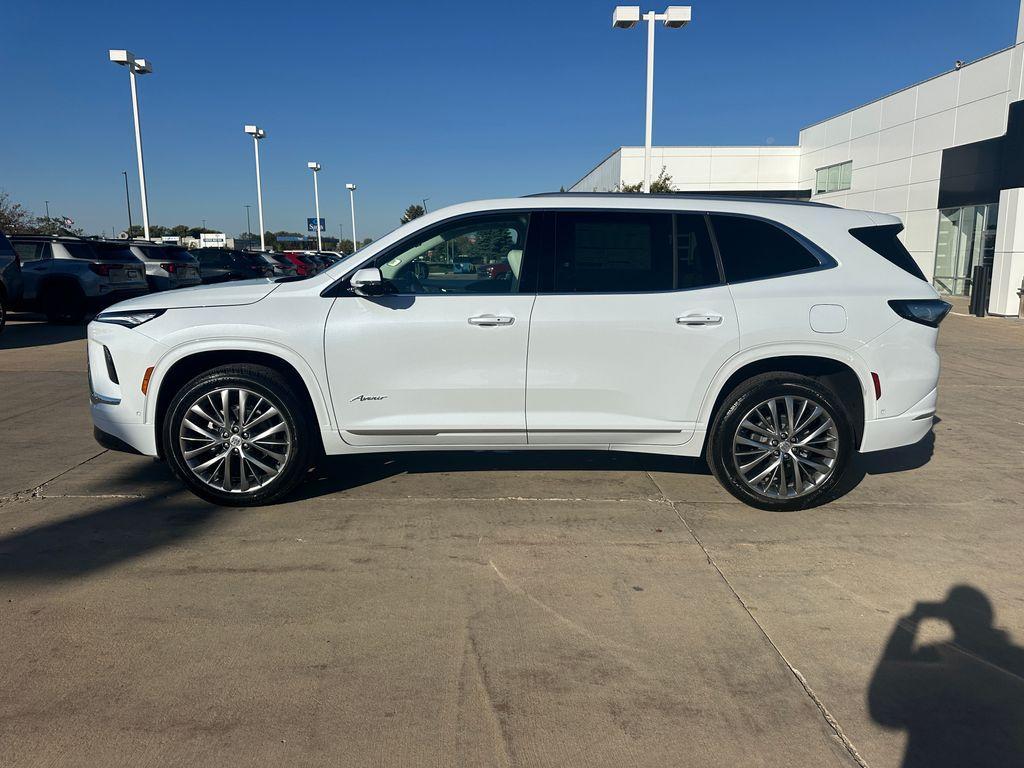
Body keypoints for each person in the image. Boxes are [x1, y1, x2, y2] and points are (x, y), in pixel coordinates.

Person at [868, 585, 1024, 767]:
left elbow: (882, 706)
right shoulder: (1017, 661)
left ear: (948, 617)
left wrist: (911, 620)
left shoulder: (934, 659)